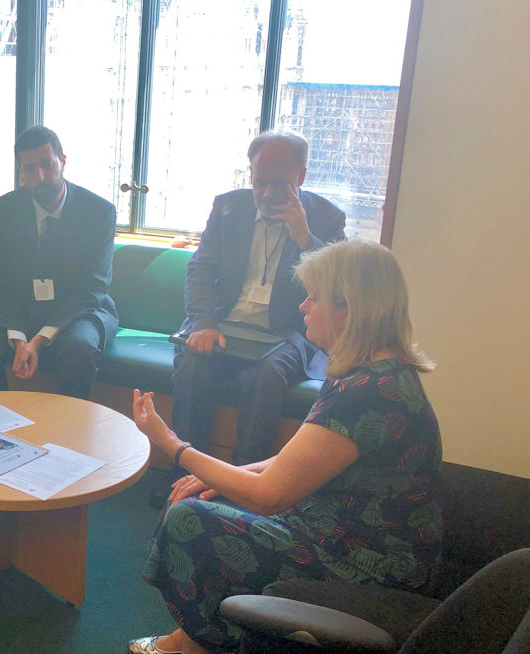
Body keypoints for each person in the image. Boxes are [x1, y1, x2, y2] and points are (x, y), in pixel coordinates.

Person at [128, 239, 442, 654]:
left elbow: (268, 497)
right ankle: (193, 640)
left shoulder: (366, 391)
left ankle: (198, 644)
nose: (303, 306)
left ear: (348, 307)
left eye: (313, 297)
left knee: (191, 520)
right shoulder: (370, 370)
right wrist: (224, 476)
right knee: (204, 494)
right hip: (348, 530)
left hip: (365, 560)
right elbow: (295, 460)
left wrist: (170, 443)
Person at [164, 131, 346, 507]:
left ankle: (241, 487)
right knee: (192, 360)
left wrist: (304, 239)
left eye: (277, 184)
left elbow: (334, 292)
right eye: (258, 182)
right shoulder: (229, 208)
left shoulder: (328, 219)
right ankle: (182, 479)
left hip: (287, 332)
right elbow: (200, 269)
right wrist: (203, 321)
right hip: (225, 324)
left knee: (268, 375)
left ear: (301, 177)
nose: (264, 193)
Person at [0, 125, 118, 399]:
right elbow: (1, 283)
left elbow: (92, 288)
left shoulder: (99, 212)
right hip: (21, 305)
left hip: (81, 308)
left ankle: (67, 433)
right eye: (29, 169)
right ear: (20, 172)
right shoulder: (3, 211)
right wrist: (19, 338)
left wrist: (40, 338)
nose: (40, 176)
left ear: (63, 161)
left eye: (47, 164)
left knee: (81, 347)